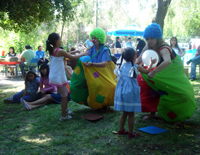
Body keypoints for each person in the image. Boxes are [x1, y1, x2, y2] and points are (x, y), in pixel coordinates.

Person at [136, 23, 196, 122]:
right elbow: (140, 58)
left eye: (152, 38)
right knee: (148, 86)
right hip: (158, 71)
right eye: (147, 38)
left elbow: (167, 61)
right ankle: (152, 112)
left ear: (157, 37)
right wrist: (132, 63)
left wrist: (154, 72)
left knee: (181, 93)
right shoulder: (148, 46)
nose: (149, 41)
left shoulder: (164, 47)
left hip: (172, 70)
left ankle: (173, 114)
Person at [114, 48, 156, 139]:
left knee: (124, 112)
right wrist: (151, 63)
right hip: (130, 92)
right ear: (134, 56)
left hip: (121, 92)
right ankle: (131, 133)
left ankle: (120, 130)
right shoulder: (136, 67)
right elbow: (147, 71)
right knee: (131, 113)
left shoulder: (122, 66)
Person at [46, 33, 87, 121]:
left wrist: (74, 51)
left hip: (56, 75)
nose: (61, 40)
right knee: (64, 95)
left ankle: (66, 110)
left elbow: (66, 54)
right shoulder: (59, 51)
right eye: (59, 39)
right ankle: (63, 115)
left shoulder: (53, 50)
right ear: (56, 41)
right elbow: (72, 57)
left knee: (66, 93)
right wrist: (83, 54)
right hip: (58, 76)